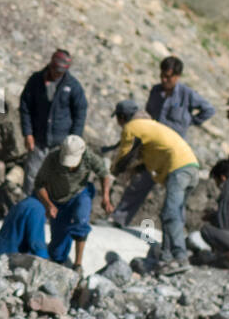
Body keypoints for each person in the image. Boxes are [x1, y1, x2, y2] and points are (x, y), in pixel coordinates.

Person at [112, 56, 215, 224]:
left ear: (177, 76)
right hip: (153, 150)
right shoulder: (155, 92)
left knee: (175, 195)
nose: (164, 80)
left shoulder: (187, 95)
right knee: (138, 184)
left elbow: (209, 109)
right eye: (162, 76)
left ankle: (177, 233)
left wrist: (191, 121)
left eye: (168, 76)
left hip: (173, 155)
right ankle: (119, 218)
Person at [111, 102, 200, 271]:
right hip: (191, 167)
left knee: (170, 213)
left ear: (121, 118)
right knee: (174, 214)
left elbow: (124, 154)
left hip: (178, 169)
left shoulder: (131, 127)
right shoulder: (150, 126)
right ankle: (166, 257)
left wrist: (112, 172)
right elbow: (152, 153)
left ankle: (180, 257)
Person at [33, 134, 113, 267]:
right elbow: (39, 184)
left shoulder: (88, 156)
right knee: (57, 251)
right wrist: (49, 205)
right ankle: (59, 262)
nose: (70, 167)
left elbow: (104, 174)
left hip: (80, 194)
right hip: (58, 201)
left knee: (80, 221)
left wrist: (105, 197)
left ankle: (78, 264)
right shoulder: (52, 159)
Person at [18, 48, 88, 187]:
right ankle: (29, 206)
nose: (57, 74)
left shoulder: (72, 86)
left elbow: (80, 113)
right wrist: (28, 133)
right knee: (32, 175)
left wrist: (74, 140)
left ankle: (48, 206)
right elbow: (25, 106)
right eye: (55, 70)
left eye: (60, 72)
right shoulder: (36, 81)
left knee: (55, 179)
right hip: (39, 138)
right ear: (51, 65)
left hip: (60, 142)